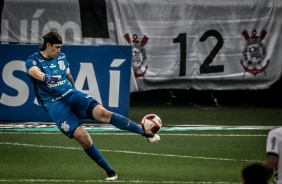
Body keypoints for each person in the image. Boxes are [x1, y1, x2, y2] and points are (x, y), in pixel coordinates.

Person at [25, 32, 160, 181]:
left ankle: (143, 132)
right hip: (55, 104)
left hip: (71, 93)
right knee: (84, 139)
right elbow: (33, 72)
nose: (59, 51)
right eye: (56, 47)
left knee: (104, 114)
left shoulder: (61, 58)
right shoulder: (34, 60)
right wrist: (46, 77)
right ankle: (110, 172)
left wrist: (75, 92)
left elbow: (68, 76)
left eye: (60, 47)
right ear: (48, 45)